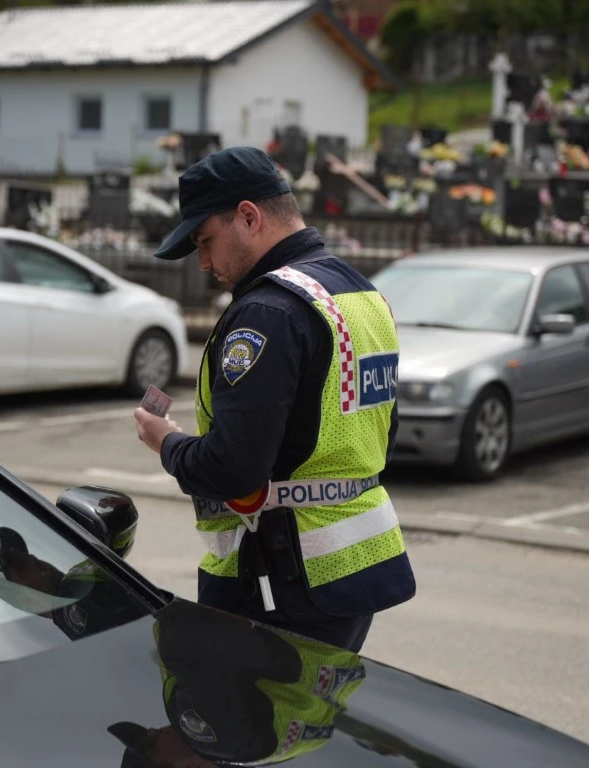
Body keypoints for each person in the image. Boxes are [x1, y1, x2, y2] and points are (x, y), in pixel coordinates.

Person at [133, 146, 416, 653]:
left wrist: (168, 443)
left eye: (206, 241)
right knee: (307, 723)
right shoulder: (360, 293)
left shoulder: (269, 312)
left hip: (281, 577)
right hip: (353, 569)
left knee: (254, 728)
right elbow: (378, 432)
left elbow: (233, 469)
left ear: (248, 217)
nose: (203, 262)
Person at [108, 599, 366, 768]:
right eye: (150, 746)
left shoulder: (258, 756)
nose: (152, 730)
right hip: (296, 604)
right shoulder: (211, 738)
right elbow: (190, 631)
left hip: (337, 627)